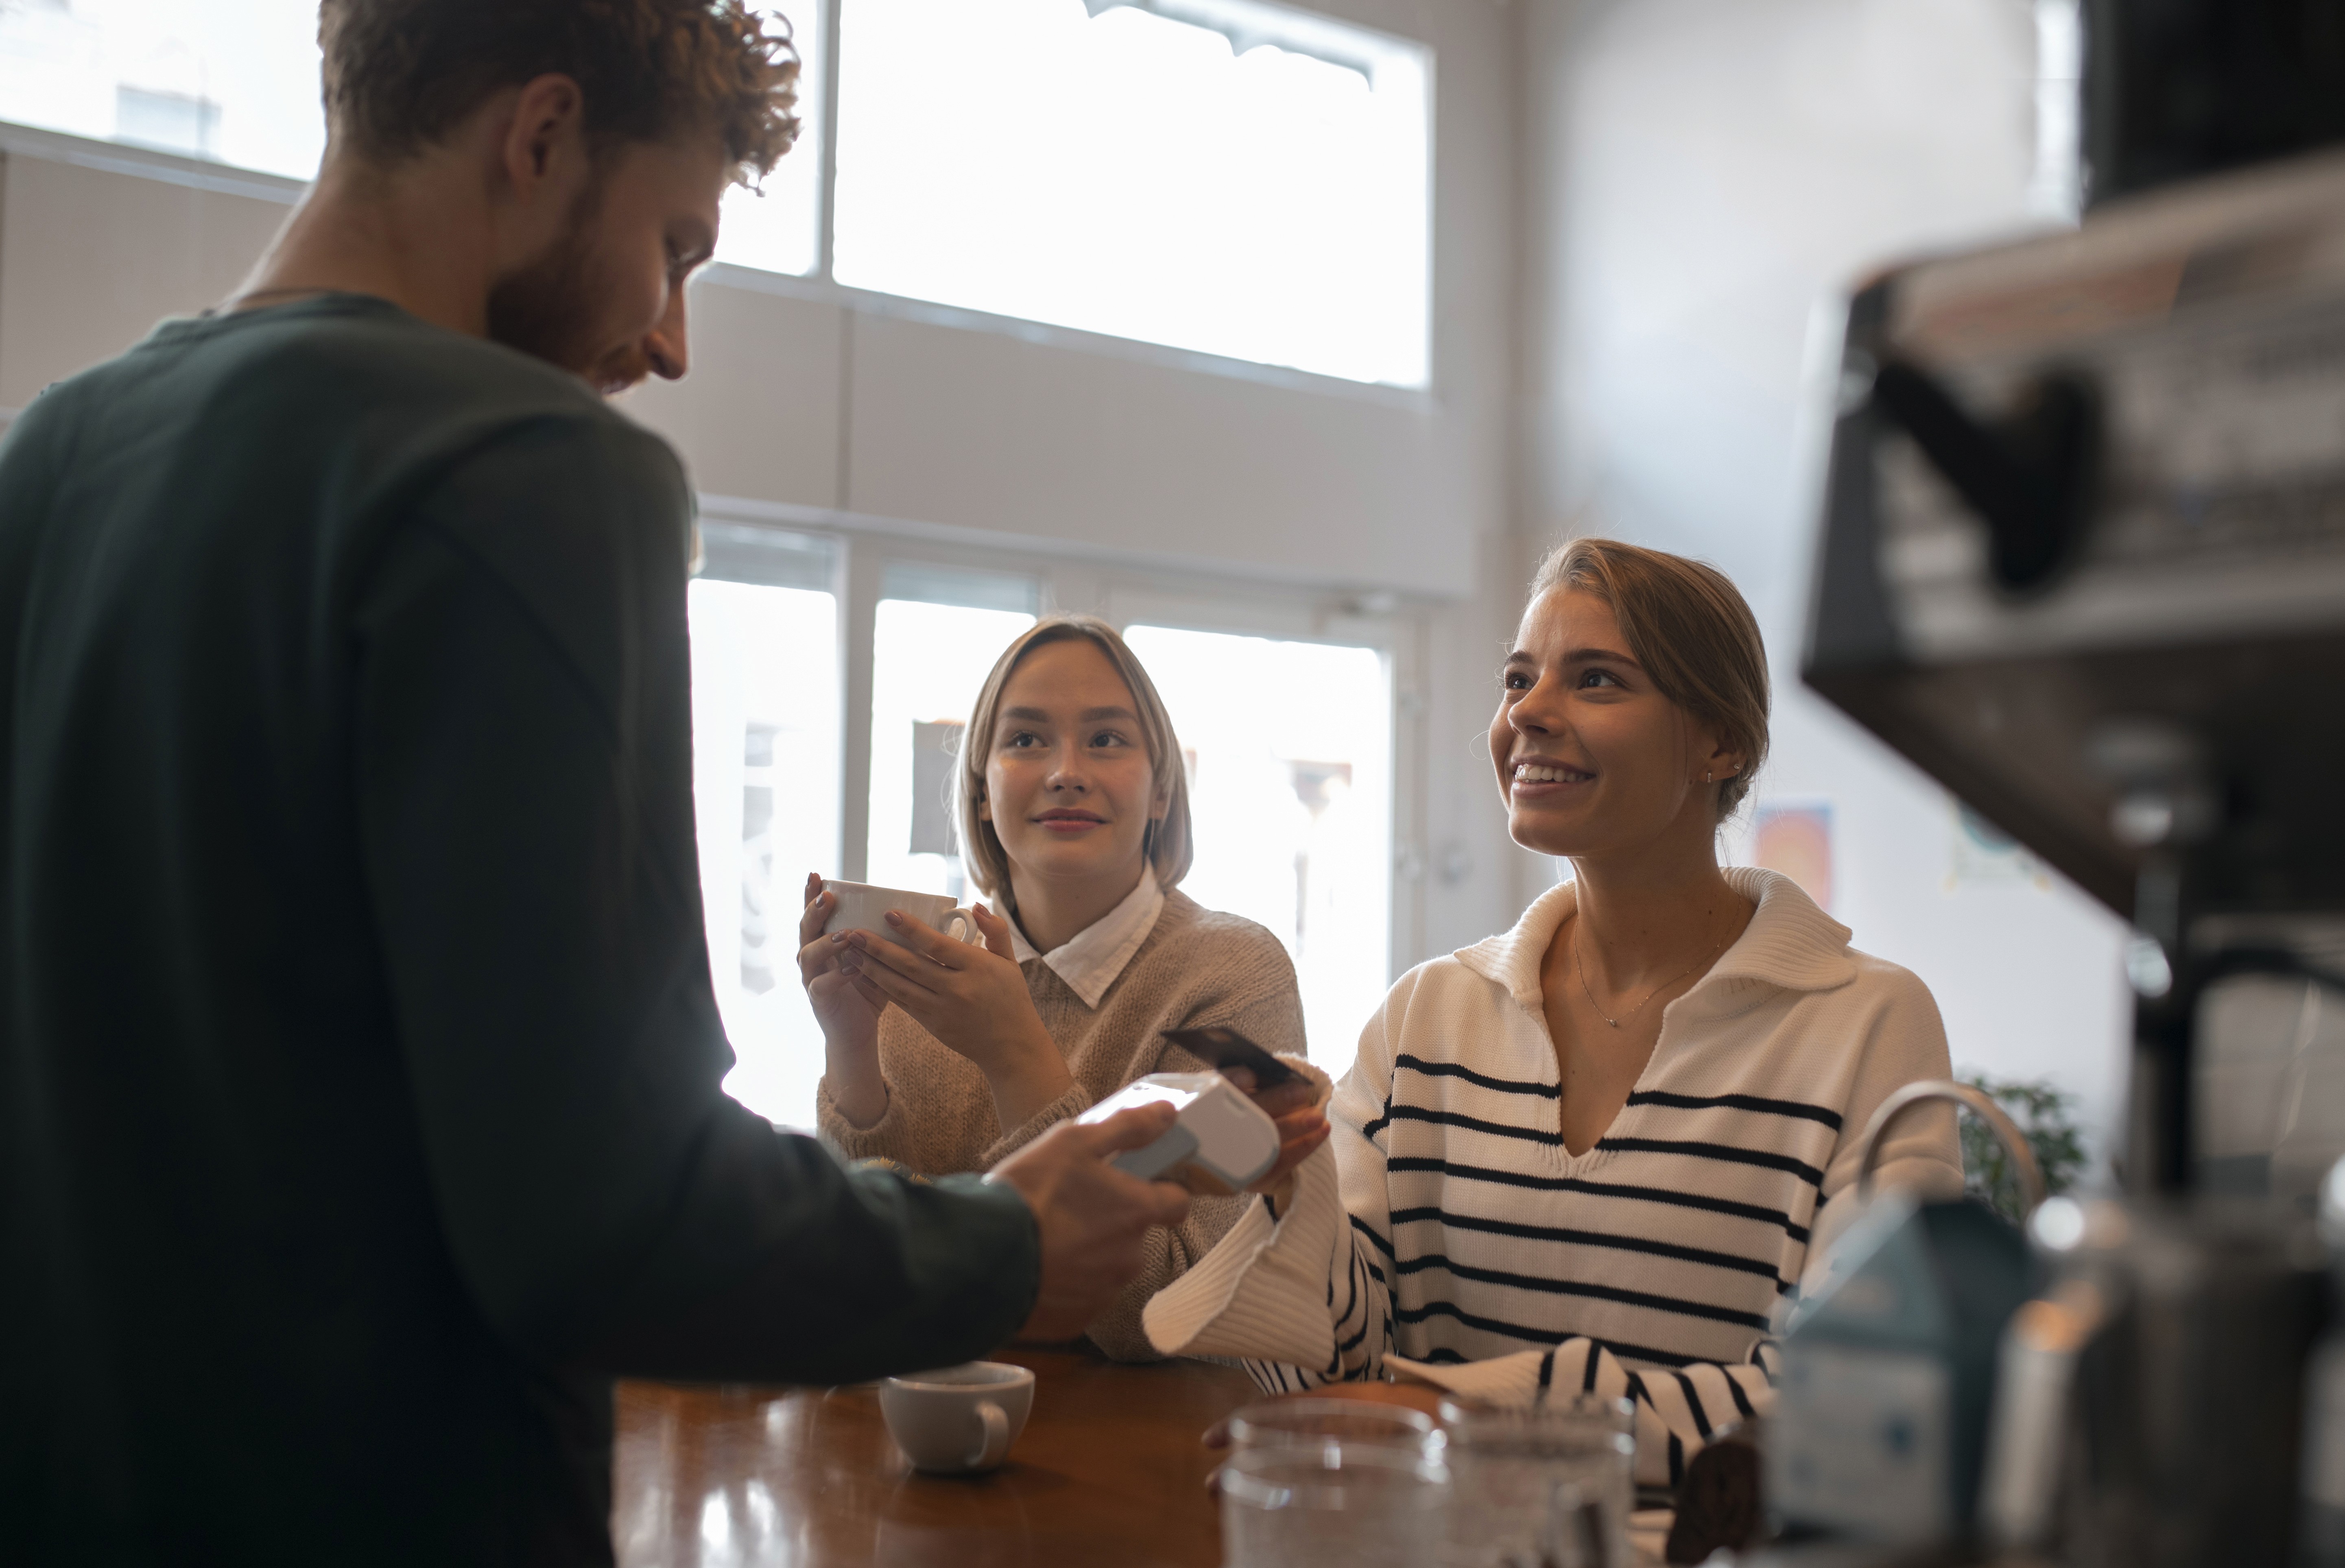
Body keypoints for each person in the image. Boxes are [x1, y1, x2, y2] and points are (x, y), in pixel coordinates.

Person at [0, 4, 1191, 1562]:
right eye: (676, 244)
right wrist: (1004, 1240)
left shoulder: (52, 457)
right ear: (541, 134)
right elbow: (611, 1214)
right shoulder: (523, 465)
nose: (669, 337)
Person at [1142, 538, 1964, 1487]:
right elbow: (1337, 1370)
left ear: (1720, 742)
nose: (1525, 713)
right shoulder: (1426, 1016)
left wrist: (1454, 1413)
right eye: (1517, 679)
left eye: (1597, 680)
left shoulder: (1866, 1022)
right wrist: (1292, 1193)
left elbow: (1851, 1396)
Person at [801, 615, 1331, 1359]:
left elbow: (1175, 1313)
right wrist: (852, 1051)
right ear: (982, 791)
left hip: (1133, 1451)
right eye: (1024, 740)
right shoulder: (925, 969)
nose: (1064, 771)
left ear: (1160, 792)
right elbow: (867, 1271)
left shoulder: (1235, 973)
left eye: (1107, 739)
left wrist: (1017, 1056)